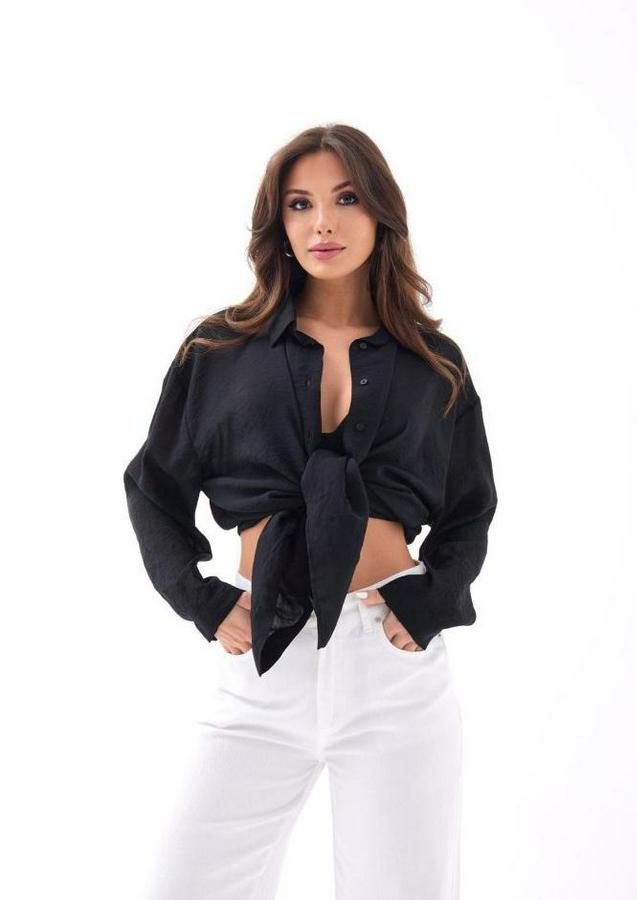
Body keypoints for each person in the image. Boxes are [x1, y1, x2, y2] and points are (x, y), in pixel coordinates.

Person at [123, 123, 498, 899]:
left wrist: (431, 600)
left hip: (391, 665)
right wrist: (201, 599)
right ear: (279, 223)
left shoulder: (434, 363)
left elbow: (471, 506)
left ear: (381, 212)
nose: (322, 222)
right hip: (262, 661)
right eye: (300, 204)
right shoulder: (219, 351)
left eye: (345, 198)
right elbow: (153, 487)